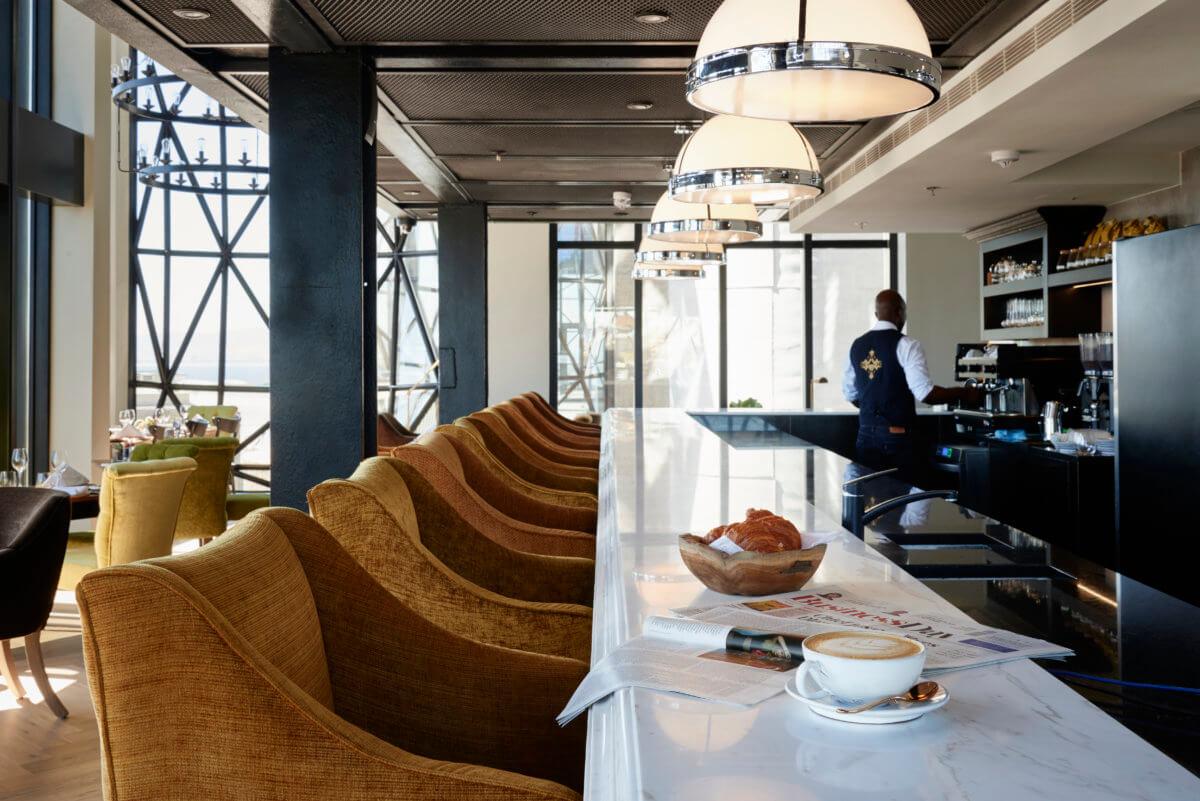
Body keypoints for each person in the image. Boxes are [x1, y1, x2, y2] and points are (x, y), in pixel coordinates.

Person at [842, 289, 978, 479]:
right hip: (897, 439)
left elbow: (850, 393)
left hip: (864, 437)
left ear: (876, 314)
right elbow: (926, 394)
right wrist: (965, 393)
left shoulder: (856, 345)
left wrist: (874, 408)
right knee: (902, 492)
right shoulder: (907, 345)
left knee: (871, 493)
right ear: (899, 312)